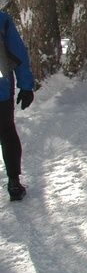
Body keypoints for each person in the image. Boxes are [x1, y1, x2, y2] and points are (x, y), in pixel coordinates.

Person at [0, 11, 34, 202]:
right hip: (1, 89)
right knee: (6, 132)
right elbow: (18, 52)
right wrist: (26, 86)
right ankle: (14, 182)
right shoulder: (2, 19)